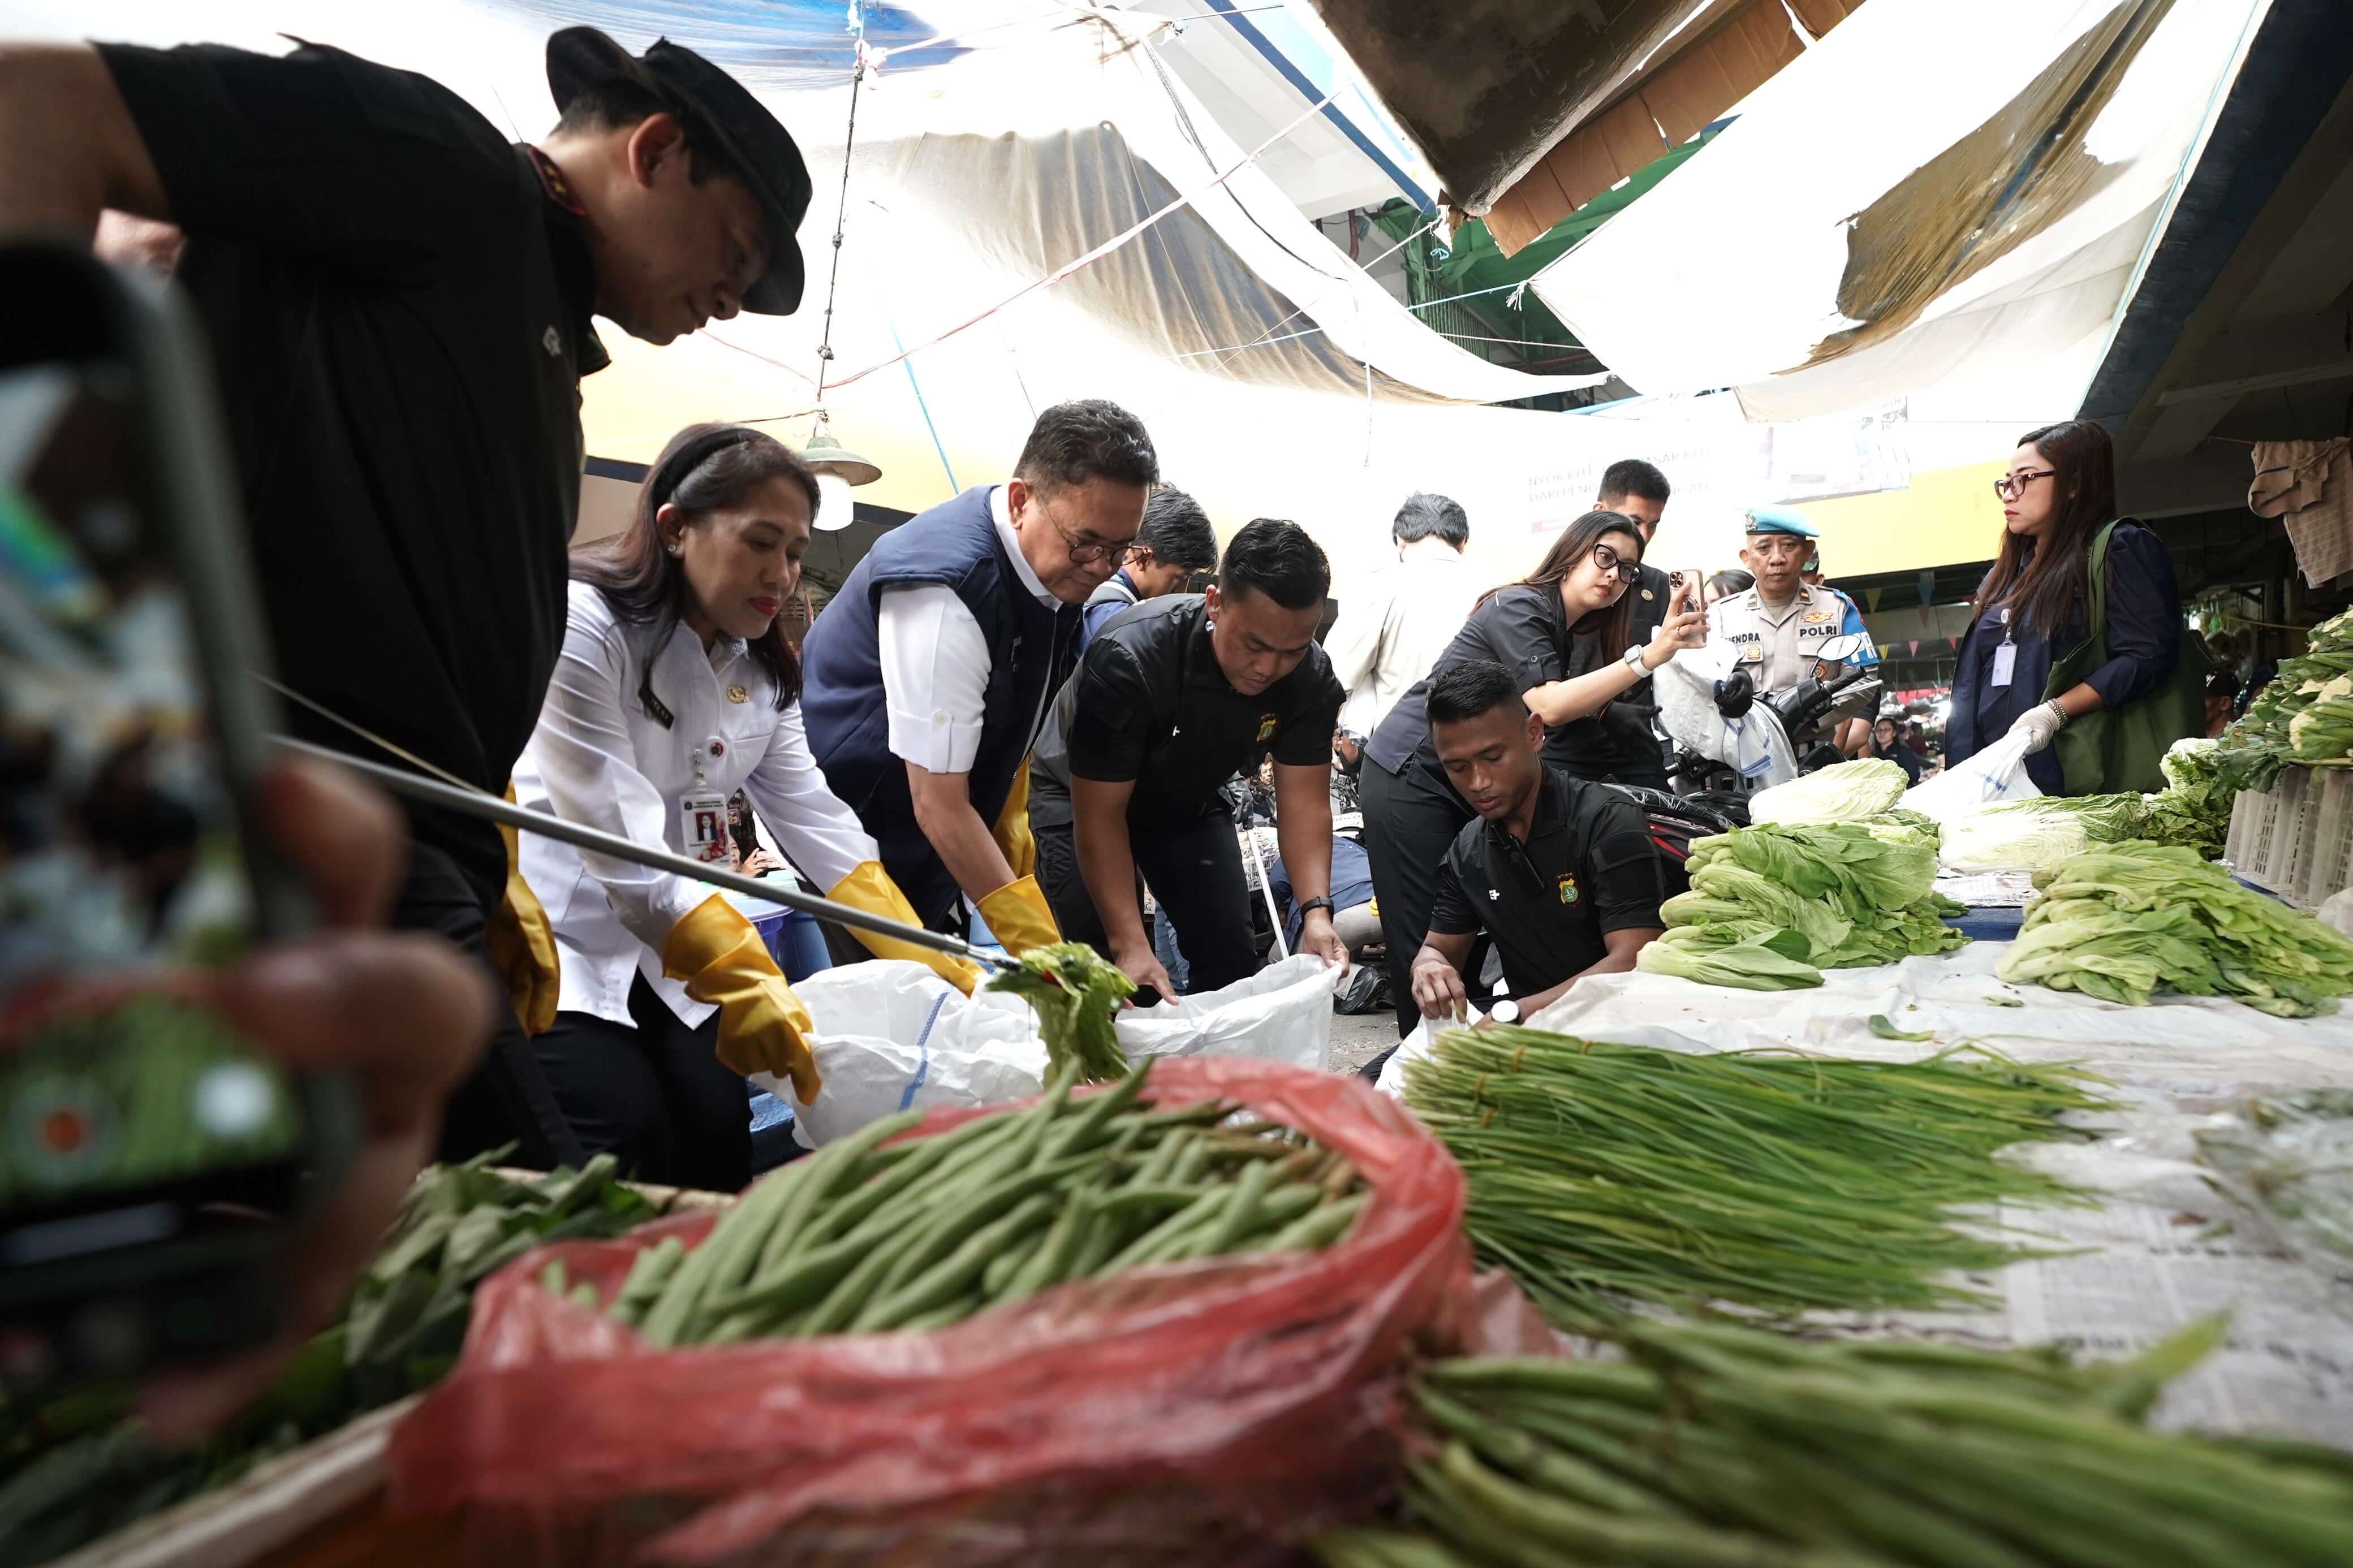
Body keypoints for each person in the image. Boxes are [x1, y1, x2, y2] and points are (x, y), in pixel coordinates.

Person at [0, 28, 815, 1169]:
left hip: (402, 842)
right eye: (734, 251)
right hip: (280, 800)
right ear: (657, 150)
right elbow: (42, 98)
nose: (731, 301)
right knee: (523, 1217)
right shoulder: (449, 165)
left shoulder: (527, 309)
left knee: (334, 1217)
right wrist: (30, 563)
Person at [513, 426, 979, 1190]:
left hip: (678, 950)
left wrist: (925, 951)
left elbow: (816, 820)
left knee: (717, 1134)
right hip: (564, 942)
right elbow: (620, 846)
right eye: (761, 543)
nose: (783, 575)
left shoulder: (759, 671)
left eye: (795, 552)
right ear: (675, 528)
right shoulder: (587, 626)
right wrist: (742, 971)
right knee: (617, 1140)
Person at [800, 401, 1157, 952]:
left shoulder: (1053, 575)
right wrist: (1040, 949)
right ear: (1020, 501)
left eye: (1119, 550)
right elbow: (939, 805)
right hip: (843, 847)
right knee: (882, 996)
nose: (1100, 566)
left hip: (924, 839)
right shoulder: (947, 590)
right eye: (1086, 543)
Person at [1360, 509, 1704, 1035]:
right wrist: (1651, 655)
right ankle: (1427, 1060)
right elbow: (1551, 704)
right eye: (1605, 557)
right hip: (1413, 772)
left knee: (1468, 939)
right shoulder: (1518, 605)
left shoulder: (1562, 631)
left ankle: (1483, 1044)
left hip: (1458, 783)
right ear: (1572, 551)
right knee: (1425, 946)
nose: (1614, 576)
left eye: (1628, 570)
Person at [1030, 520, 1349, 997]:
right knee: (1110, 971)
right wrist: (1129, 942)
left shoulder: (1311, 678)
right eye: (1254, 645)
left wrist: (1316, 913)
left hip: (1186, 797)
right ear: (1214, 602)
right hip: (1077, 797)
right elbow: (1100, 816)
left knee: (1230, 955)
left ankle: (1205, 1049)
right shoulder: (1131, 656)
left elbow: (1304, 805)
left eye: (1292, 651)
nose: (1268, 668)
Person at [1409, 660, 1670, 1022]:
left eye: (1493, 758)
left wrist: (1517, 1015)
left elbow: (1634, 959)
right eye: (1457, 767)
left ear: (1534, 733)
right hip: (1522, 1027)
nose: (1478, 782)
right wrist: (1427, 968)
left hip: (1620, 1027)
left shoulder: (1607, 820)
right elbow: (1437, 948)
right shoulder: (1468, 851)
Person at [1945, 421, 2190, 796]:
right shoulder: (2005, 574)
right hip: (1996, 780)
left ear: (2073, 484)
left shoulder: (2118, 549)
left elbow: (2147, 655)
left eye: (2025, 479)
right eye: (2006, 483)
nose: (2010, 495)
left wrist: (2056, 711)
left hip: (2075, 777)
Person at [1707, 506, 1877, 754]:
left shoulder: (1838, 608)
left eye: (1789, 545)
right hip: (1742, 758)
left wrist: (1810, 717)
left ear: (1808, 551)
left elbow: (1865, 679)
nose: (1777, 558)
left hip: (1811, 757)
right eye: (1764, 548)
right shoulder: (1721, 616)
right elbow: (1699, 688)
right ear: (1746, 557)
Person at [1326, 492, 1485, 739]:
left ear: (1401, 540)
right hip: (1478, 741)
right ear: (1462, 542)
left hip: (1400, 746)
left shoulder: (1380, 585)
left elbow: (1335, 673)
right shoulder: (1492, 590)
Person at [1558, 458, 1677, 788]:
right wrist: (1602, 711)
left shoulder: (1660, 587)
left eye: (1653, 525)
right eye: (1634, 521)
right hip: (1566, 754)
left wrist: (1727, 676)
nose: (1643, 535)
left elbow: (1683, 665)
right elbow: (1543, 691)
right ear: (1600, 511)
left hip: (1637, 754)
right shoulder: (1562, 584)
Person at [1078, 486, 1218, 654]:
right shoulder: (1118, 622)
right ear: (1143, 559)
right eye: (1180, 577)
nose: (1183, 591)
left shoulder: (1106, 593)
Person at [1869, 714, 1924, 784]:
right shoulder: (1873, 754)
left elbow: (1915, 776)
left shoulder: (1903, 752)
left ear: (1894, 733)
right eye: (1878, 730)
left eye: (1887, 730)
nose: (1882, 733)